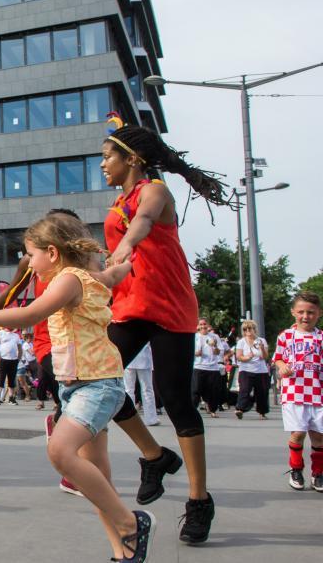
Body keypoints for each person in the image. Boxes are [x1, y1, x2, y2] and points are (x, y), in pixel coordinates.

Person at [0, 213, 154, 563]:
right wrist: (125, 262)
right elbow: (112, 274)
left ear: (52, 252)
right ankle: (122, 551)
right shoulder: (90, 277)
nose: (29, 264)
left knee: (59, 452)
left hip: (94, 387)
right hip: (82, 385)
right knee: (98, 481)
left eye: (30, 255)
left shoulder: (66, 279)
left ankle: (130, 524)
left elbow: (28, 316)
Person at [100, 120, 229, 543]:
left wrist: (126, 245)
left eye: (107, 156)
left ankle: (198, 500)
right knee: (97, 378)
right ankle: (154, 456)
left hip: (169, 308)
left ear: (131, 159)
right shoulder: (115, 204)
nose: (102, 164)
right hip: (131, 306)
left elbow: (145, 221)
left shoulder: (152, 191)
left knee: (176, 400)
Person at [272, 291, 323, 492]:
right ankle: (295, 468)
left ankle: (318, 473)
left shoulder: (320, 338)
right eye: (301, 311)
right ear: (293, 312)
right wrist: (281, 366)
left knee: (318, 436)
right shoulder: (286, 336)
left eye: (310, 312)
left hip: (318, 393)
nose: (305, 316)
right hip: (295, 392)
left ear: (318, 313)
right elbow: (277, 357)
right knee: (298, 433)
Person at [234, 319, 270, 420]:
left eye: (250, 329)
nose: (248, 331)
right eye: (245, 329)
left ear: (254, 329)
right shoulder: (241, 342)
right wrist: (247, 357)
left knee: (262, 392)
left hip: (261, 370)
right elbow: (239, 357)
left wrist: (262, 348)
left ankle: (262, 412)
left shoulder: (261, 340)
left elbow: (265, 357)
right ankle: (240, 409)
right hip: (246, 370)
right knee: (244, 390)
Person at [191, 318, 224, 418]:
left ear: (208, 325)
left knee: (213, 390)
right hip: (198, 366)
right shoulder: (195, 337)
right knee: (196, 390)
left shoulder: (214, 337)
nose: (203, 326)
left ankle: (212, 410)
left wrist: (215, 347)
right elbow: (188, 351)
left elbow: (219, 352)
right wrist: (196, 353)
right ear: (197, 326)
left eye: (204, 324)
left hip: (212, 367)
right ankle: (192, 410)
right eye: (200, 324)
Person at [124, 344, 159, 426]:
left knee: (129, 390)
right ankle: (151, 419)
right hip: (143, 358)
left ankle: (129, 419)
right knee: (147, 390)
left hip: (130, 358)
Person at [0, 328, 23, 405]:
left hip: (13, 360)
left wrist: (18, 358)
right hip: (3, 360)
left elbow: (19, 347)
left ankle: (11, 398)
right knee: (1, 378)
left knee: (11, 379)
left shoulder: (16, 335)